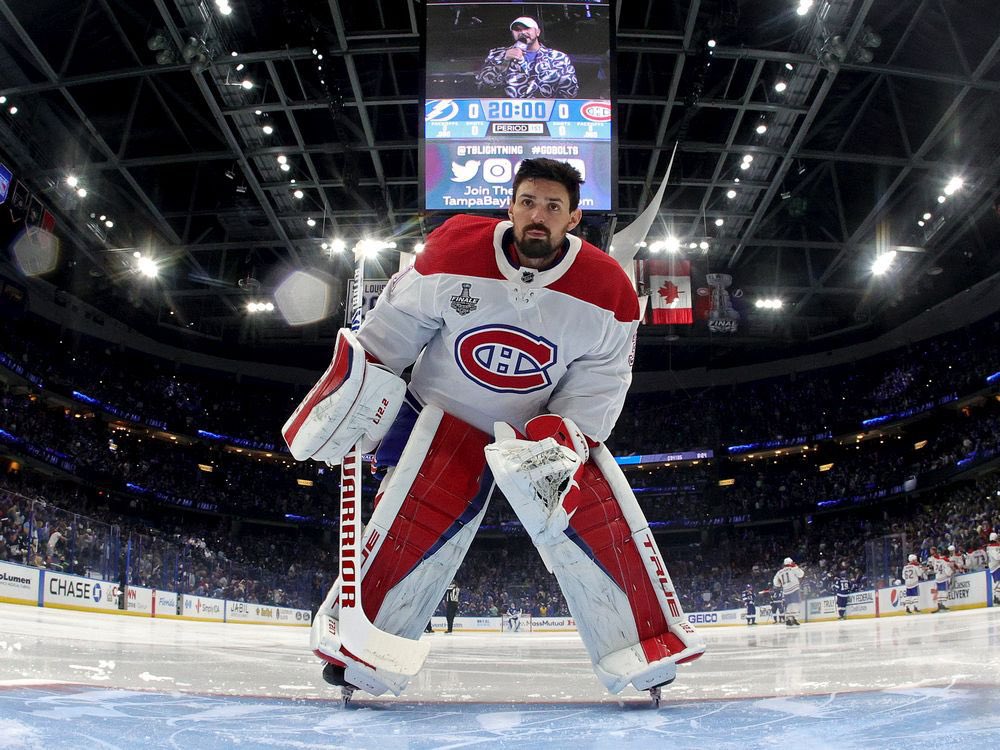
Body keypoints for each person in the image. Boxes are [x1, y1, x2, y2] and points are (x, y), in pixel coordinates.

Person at [283, 158, 704, 702]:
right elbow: (392, 332)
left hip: (536, 436)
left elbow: (601, 380)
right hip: (443, 417)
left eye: (553, 206)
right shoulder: (454, 248)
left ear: (574, 218)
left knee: (596, 511)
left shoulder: (609, 290)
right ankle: (364, 651)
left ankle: (644, 645)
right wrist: (358, 388)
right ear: (510, 205)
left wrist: (566, 435)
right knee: (407, 524)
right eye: (528, 201)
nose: (538, 215)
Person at [475, 16, 579, 99]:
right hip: (506, 115)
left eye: (527, 28)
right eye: (517, 30)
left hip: (545, 114)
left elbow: (570, 92)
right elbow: (482, 86)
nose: (522, 32)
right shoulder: (497, 54)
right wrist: (505, 62)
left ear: (537, 32)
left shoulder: (559, 58)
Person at [773, 557, 804, 627]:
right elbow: (801, 574)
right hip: (794, 589)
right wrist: (796, 567)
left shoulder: (779, 572)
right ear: (791, 563)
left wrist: (779, 584)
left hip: (786, 590)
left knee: (789, 605)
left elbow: (775, 582)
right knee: (796, 604)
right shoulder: (793, 569)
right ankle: (794, 619)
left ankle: (788, 619)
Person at [987, 532, 1000, 606]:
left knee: (998, 582)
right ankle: (996, 597)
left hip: (994, 566)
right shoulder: (994, 547)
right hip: (996, 567)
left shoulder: (989, 547)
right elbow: (997, 557)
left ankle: (996, 597)